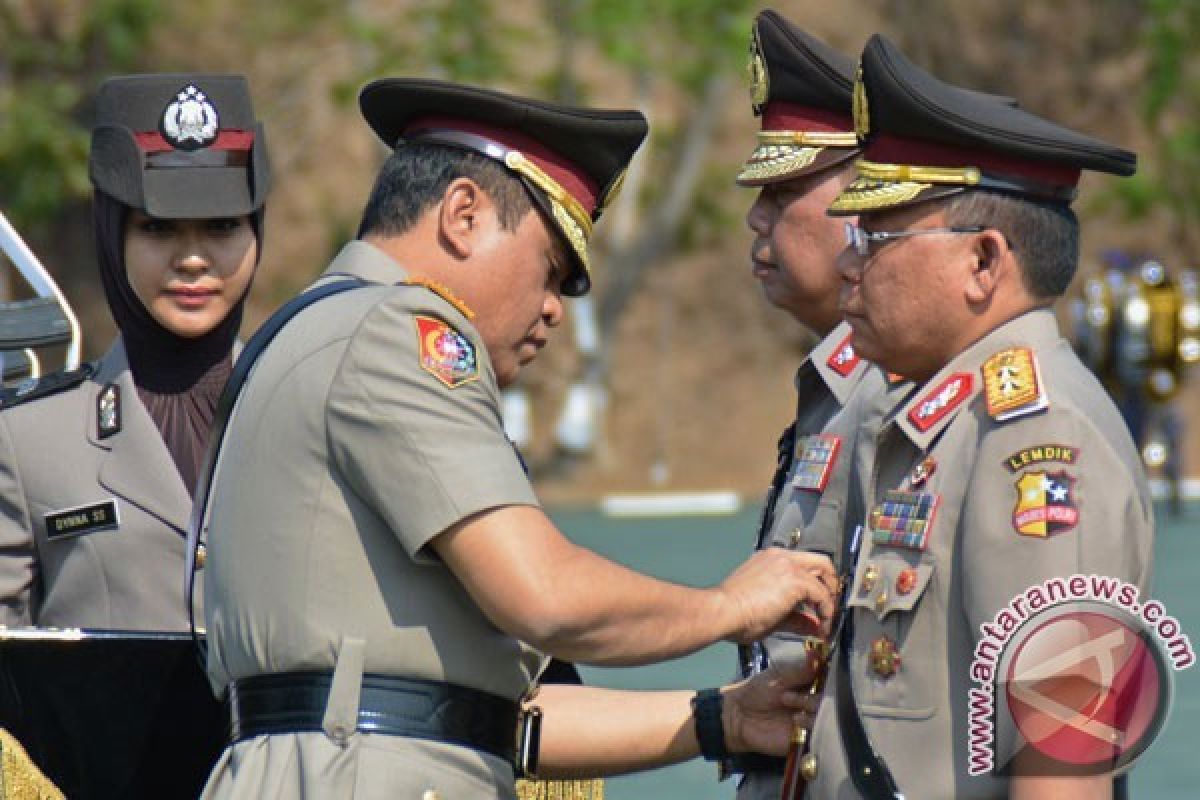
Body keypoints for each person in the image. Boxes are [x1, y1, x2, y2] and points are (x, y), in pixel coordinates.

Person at [197, 78, 840, 799]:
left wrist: (719, 720)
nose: (550, 310)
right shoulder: (398, 333)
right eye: (549, 269)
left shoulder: (314, 332)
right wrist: (730, 606)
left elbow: (492, 719)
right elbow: (545, 597)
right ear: (463, 214)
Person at [801, 35, 1153, 799]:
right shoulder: (949, 421)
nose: (845, 263)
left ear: (984, 261)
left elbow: (1062, 773)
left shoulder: (1038, 439)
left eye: (877, 236)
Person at [0, 73, 268, 630]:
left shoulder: (311, 416)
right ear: (111, 230)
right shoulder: (26, 442)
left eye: (222, 226)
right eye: (159, 228)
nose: (193, 259)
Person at [733, 12, 912, 799]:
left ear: (868, 203)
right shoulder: (836, 389)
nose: (756, 216)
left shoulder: (899, 391)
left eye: (786, 188)